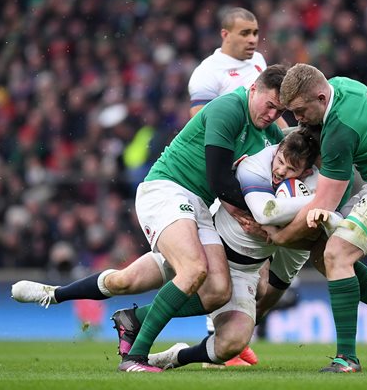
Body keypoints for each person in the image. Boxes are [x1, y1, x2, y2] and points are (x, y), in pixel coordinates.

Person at [12, 64, 288, 373]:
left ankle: (62, 296)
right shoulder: (228, 108)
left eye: (280, 110)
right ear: (254, 90)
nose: (272, 115)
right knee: (193, 269)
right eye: (270, 105)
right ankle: (135, 358)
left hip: (198, 206)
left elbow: (285, 159)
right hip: (166, 190)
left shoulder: (270, 133)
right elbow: (221, 181)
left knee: (213, 292)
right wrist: (261, 217)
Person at [265, 63, 367, 373]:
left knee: (337, 253)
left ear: (319, 97)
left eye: (301, 110)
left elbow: (322, 206)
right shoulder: (339, 85)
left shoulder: (341, 128)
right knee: (320, 256)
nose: (297, 119)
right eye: (293, 112)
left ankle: (347, 359)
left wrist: (279, 238)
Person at [136, 127, 320, 369]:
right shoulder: (255, 166)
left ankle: (175, 356)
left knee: (232, 340)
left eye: (291, 169)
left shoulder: (312, 184)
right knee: (129, 281)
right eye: (281, 162)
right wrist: (288, 222)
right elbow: (265, 213)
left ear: (306, 172)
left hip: (246, 265)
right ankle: (132, 331)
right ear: (276, 152)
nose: (281, 171)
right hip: (212, 241)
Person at [188, 6, 287, 366]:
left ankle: (229, 338)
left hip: (255, 176)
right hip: (227, 181)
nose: (252, 40)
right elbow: (205, 131)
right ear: (224, 34)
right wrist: (232, 199)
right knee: (222, 275)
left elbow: (269, 119)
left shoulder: (260, 63)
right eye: (244, 33)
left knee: (258, 281)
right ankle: (222, 340)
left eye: (256, 32)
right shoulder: (206, 75)